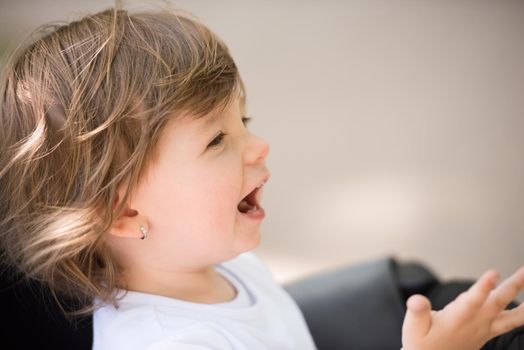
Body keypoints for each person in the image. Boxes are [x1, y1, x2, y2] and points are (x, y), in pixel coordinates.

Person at [0, 3, 523, 350]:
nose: (259, 145)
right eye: (217, 140)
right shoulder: (168, 343)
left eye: (241, 122)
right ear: (124, 211)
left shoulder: (219, 266)